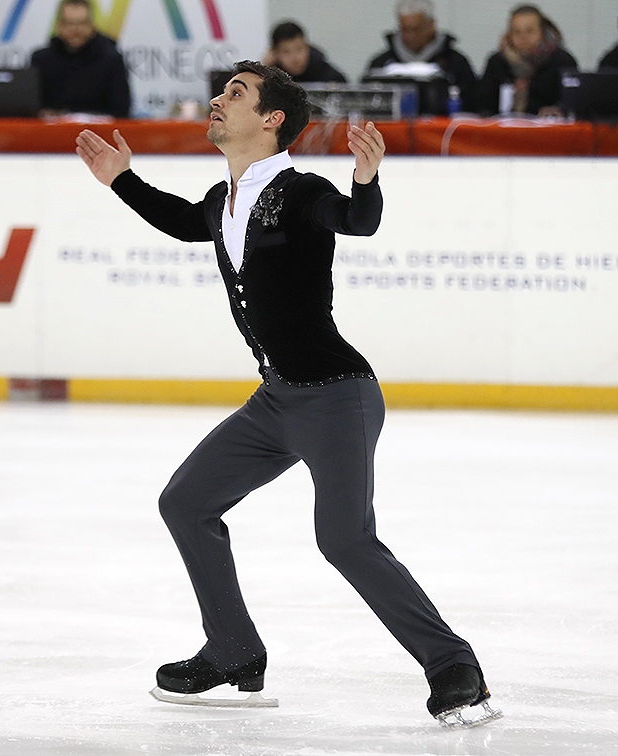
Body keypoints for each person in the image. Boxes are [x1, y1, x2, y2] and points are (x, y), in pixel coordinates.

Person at [74, 61, 499, 726]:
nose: (218, 100)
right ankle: (233, 649)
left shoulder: (301, 193)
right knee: (186, 502)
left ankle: (454, 667)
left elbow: (357, 221)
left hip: (337, 398)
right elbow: (188, 222)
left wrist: (367, 178)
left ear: (272, 120)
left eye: (235, 94)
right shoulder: (223, 201)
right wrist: (121, 181)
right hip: (276, 402)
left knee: (345, 539)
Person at [364, 0, 479, 112]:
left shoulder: (455, 62)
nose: (410, 36)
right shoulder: (381, 63)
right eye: (405, 29)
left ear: (431, 25)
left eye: (416, 29)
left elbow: (473, 105)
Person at [30, 0, 131, 119]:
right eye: (69, 23)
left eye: (82, 23)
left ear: (92, 25)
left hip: (99, 133)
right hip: (52, 133)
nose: (76, 30)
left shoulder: (111, 59)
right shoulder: (42, 59)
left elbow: (121, 109)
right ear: (59, 26)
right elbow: (32, 108)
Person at [477, 4, 578, 116]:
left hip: (548, 130)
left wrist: (558, 110)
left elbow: (573, 104)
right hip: (503, 129)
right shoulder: (497, 62)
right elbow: (483, 105)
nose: (523, 37)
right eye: (517, 32)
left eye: (530, 31)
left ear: (542, 32)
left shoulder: (562, 62)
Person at [263, 21, 347, 84]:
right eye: (286, 52)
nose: (295, 58)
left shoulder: (330, 78)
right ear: (275, 54)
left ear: (307, 47)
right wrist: (264, 71)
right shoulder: (272, 79)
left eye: (299, 49)